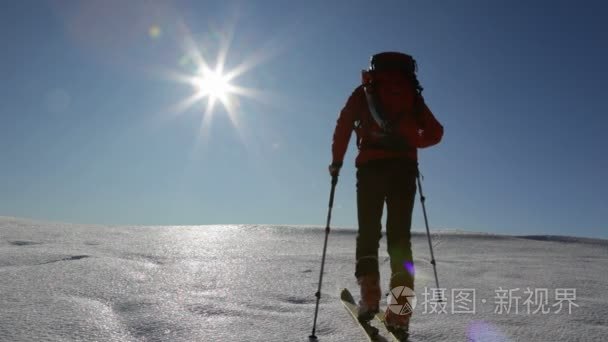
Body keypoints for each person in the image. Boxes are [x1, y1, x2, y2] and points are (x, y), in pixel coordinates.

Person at [329, 52, 443, 332]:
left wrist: (336, 162)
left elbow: (343, 125)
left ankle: (369, 300)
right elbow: (435, 132)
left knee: (368, 233)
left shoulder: (365, 91)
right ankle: (401, 315)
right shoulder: (411, 95)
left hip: (370, 170)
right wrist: (409, 141)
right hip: (403, 171)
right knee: (400, 241)